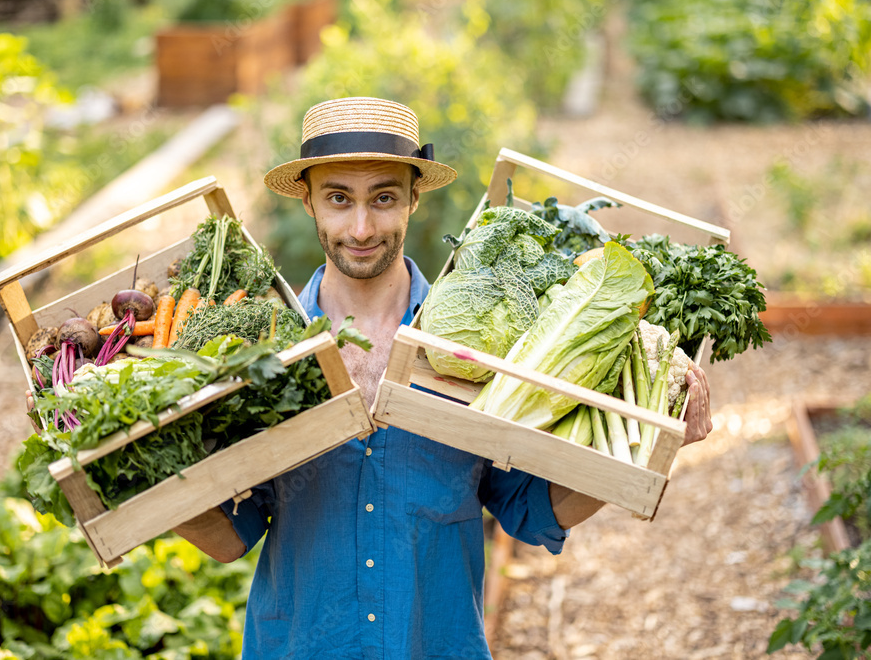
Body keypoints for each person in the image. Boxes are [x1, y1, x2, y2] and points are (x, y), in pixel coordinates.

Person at [173, 97, 714, 658]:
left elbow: (528, 510)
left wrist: (648, 443)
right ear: (308, 200)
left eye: (383, 197)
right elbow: (230, 535)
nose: (361, 227)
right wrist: (138, 478)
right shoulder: (265, 352)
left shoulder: (482, 348)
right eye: (339, 199)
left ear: (414, 198)